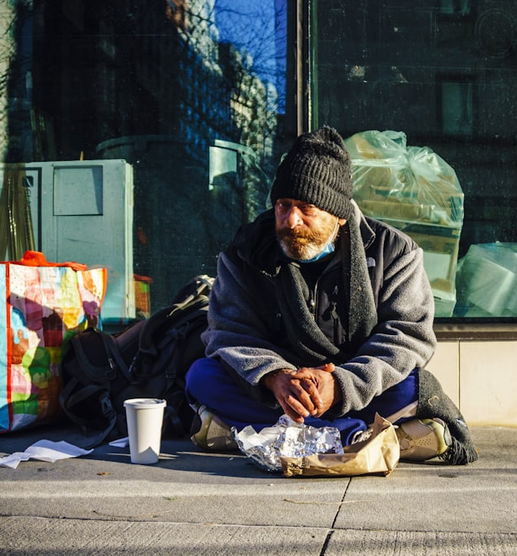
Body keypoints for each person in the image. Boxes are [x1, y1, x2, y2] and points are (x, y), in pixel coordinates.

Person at [185, 126, 478, 464]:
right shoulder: (245, 252)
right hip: (277, 393)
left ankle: (253, 432)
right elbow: (228, 332)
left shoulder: (394, 252)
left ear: (339, 214)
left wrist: (339, 386)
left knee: (414, 386)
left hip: (356, 387)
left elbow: (408, 337)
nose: (290, 220)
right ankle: (356, 435)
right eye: (283, 205)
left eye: (306, 207)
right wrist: (274, 377)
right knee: (202, 376)